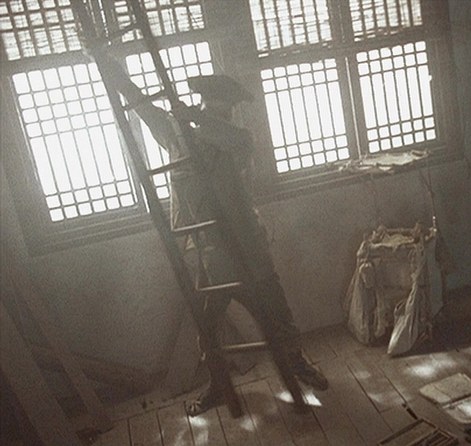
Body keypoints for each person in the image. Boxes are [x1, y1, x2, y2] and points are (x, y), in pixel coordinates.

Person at [91, 52, 328, 416]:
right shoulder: (175, 133)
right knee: (208, 327)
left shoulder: (233, 139)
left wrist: (197, 119)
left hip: (247, 248)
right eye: (214, 108)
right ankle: (219, 386)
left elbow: (239, 140)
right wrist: (105, 61)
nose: (222, 115)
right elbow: (139, 101)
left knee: (277, 315)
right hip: (210, 254)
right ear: (205, 104)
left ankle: (296, 364)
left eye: (223, 111)